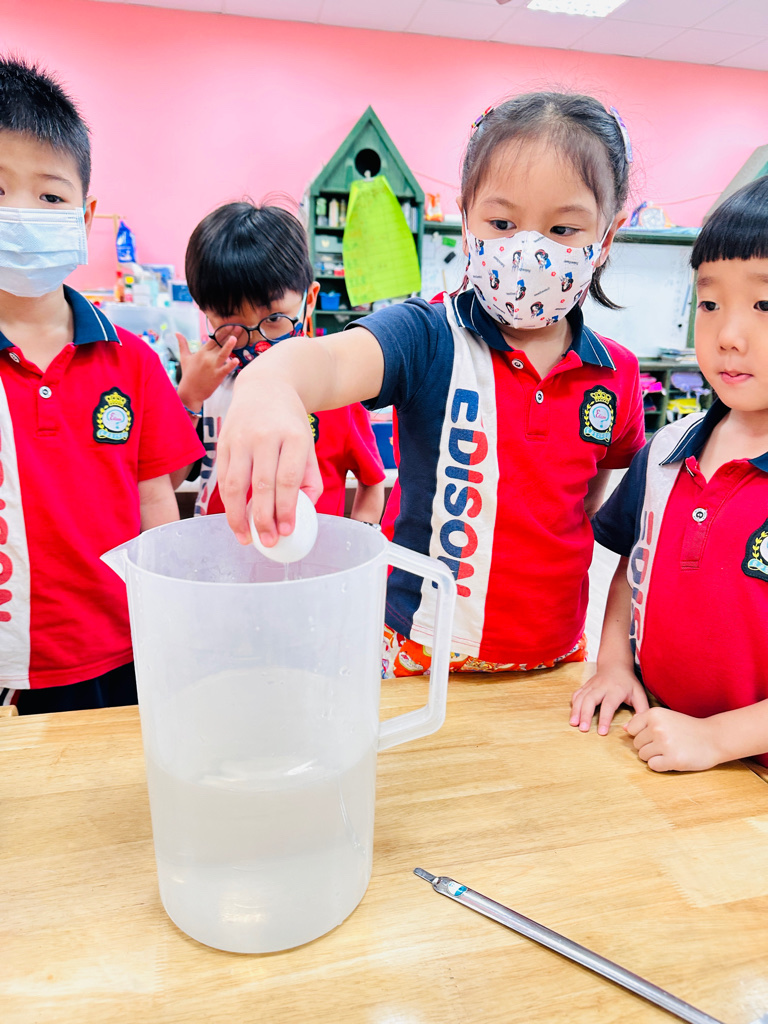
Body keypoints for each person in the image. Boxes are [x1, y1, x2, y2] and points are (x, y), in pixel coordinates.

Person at [216, 93, 646, 675]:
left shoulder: (616, 373)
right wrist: (269, 383)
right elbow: (329, 363)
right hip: (420, 647)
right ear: (467, 220)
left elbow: (586, 496)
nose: (528, 250)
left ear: (606, 237)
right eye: (501, 223)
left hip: (556, 654)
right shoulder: (426, 335)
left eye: (563, 228)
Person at [0, 57, 204, 713]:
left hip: (118, 652)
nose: (21, 213)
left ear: (84, 218)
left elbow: (155, 500)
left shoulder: (132, 361)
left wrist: (171, 616)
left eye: (49, 197)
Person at [570, 175, 768, 772]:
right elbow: (632, 568)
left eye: (765, 305)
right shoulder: (664, 452)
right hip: (654, 741)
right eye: (710, 304)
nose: (728, 336)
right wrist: (613, 664)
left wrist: (716, 739)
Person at [174, 201, 386, 524]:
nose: (254, 339)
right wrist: (188, 398)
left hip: (312, 555)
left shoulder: (335, 393)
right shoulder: (205, 385)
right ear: (205, 312)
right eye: (230, 322)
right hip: (219, 551)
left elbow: (372, 480)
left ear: (309, 300)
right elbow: (168, 481)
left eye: (274, 318)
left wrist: (361, 539)